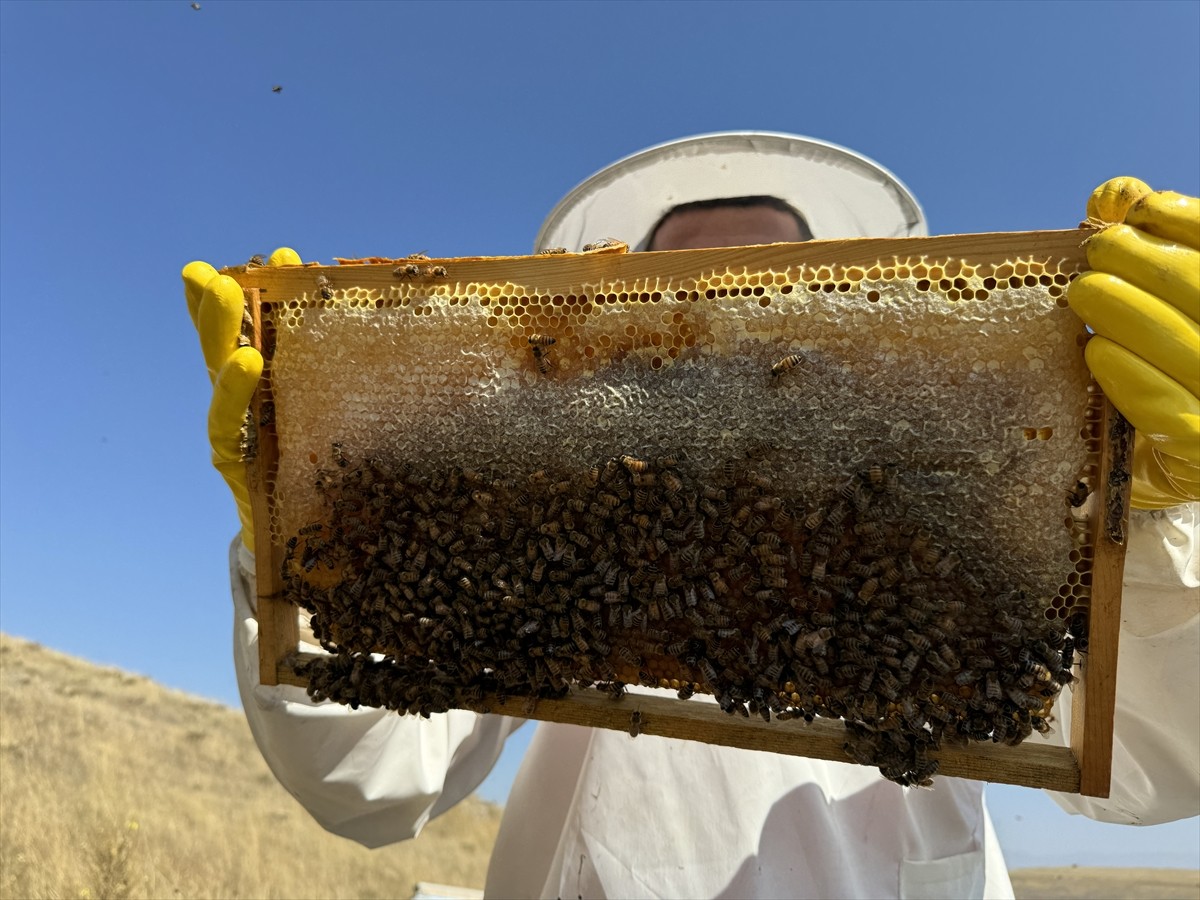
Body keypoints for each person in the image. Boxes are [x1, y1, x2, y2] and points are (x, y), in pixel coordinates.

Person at [183, 132, 1199, 899]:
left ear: (849, 314)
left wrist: (1156, 526)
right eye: (686, 305)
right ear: (621, 336)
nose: (722, 342)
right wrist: (312, 549)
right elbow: (368, 782)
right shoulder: (547, 532)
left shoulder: (970, 520)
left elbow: (1153, 762)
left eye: (762, 301)